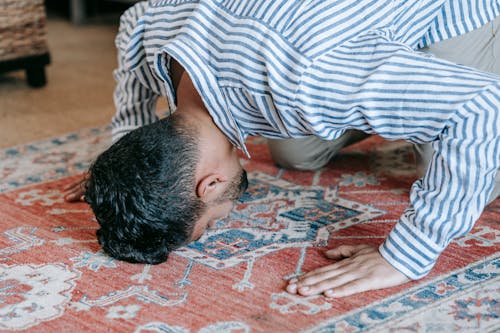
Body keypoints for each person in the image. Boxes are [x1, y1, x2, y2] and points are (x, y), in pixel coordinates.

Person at [65, 0, 500, 298]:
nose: (222, 220)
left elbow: (479, 107)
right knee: (296, 153)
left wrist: (405, 256)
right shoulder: (157, 32)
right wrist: (125, 163)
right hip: (322, 38)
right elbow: (133, 19)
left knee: (463, 161)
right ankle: (389, 82)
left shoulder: (306, 84)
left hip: (452, 13)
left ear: (210, 184)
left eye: (211, 224)